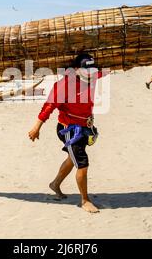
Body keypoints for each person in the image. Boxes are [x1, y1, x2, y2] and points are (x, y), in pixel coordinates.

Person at [28, 53, 107, 213]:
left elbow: (109, 68)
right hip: (69, 129)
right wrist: (37, 126)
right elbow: (49, 105)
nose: (90, 74)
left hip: (85, 127)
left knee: (73, 158)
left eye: (92, 70)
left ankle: (55, 184)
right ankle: (85, 200)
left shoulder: (92, 77)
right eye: (86, 70)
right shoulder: (65, 84)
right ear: (77, 69)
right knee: (82, 162)